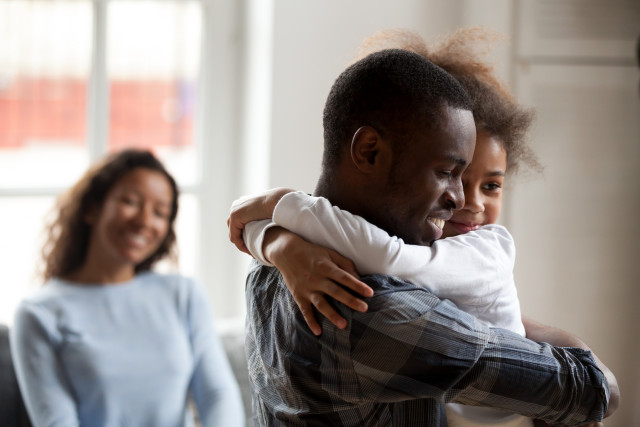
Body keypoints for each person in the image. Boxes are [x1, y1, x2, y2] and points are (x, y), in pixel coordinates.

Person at [229, 48, 614, 425]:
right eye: (447, 171)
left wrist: (275, 238)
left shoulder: (273, 257)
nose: (460, 199)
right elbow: (593, 389)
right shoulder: (371, 308)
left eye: (488, 183)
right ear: (370, 151)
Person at [10, 149, 245, 427]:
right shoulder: (38, 313)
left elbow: (217, 395)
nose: (145, 221)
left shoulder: (183, 295)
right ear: (92, 208)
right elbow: (56, 421)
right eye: (130, 202)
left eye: (160, 212)